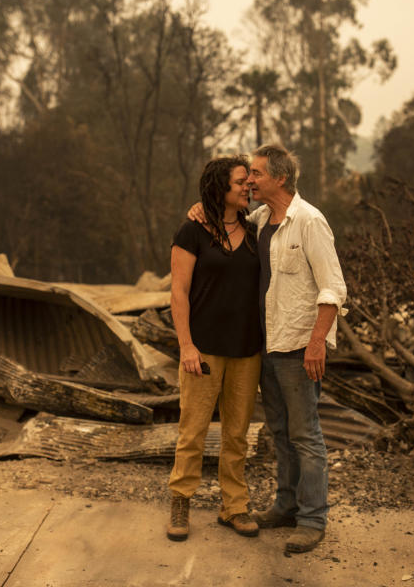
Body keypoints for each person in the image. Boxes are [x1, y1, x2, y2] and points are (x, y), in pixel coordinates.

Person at [190, 143, 346, 554]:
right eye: (247, 176)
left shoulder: (309, 222)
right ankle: (286, 505)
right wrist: (199, 207)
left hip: (298, 346)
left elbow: (334, 287)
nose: (250, 181)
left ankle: (313, 520)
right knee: (280, 432)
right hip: (267, 346)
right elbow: (221, 213)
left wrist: (317, 343)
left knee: (306, 435)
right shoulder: (260, 220)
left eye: (256, 174)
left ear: (279, 177)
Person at [167, 155, 264, 543]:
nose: (248, 187)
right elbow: (178, 292)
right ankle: (180, 500)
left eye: (249, 181)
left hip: (247, 349)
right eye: (241, 182)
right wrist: (187, 345)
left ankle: (234, 507)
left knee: (237, 435)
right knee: (192, 431)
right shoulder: (192, 231)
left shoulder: (256, 229)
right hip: (203, 350)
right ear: (220, 188)